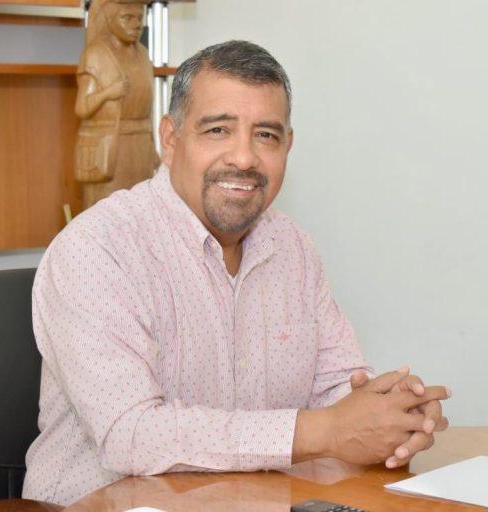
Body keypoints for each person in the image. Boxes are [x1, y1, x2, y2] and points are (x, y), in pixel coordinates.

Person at [23, 40, 450, 506]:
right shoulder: (98, 248)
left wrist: (391, 413)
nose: (244, 157)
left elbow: (338, 390)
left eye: (265, 135)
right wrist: (324, 430)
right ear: (170, 139)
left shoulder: (293, 247)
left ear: (288, 146)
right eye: (218, 130)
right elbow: (130, 434)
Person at [74, 0, 161, 208]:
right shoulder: (96, 55)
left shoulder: (143, 54)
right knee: (109, 210)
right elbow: (81, 107)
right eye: (127, 18)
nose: (136, 24)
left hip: (140, 147)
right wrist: (108, 93)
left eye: (140, 18)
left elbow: (147, 108)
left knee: (141, 208)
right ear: (110, 19)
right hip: (110, 150)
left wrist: (152, 148)